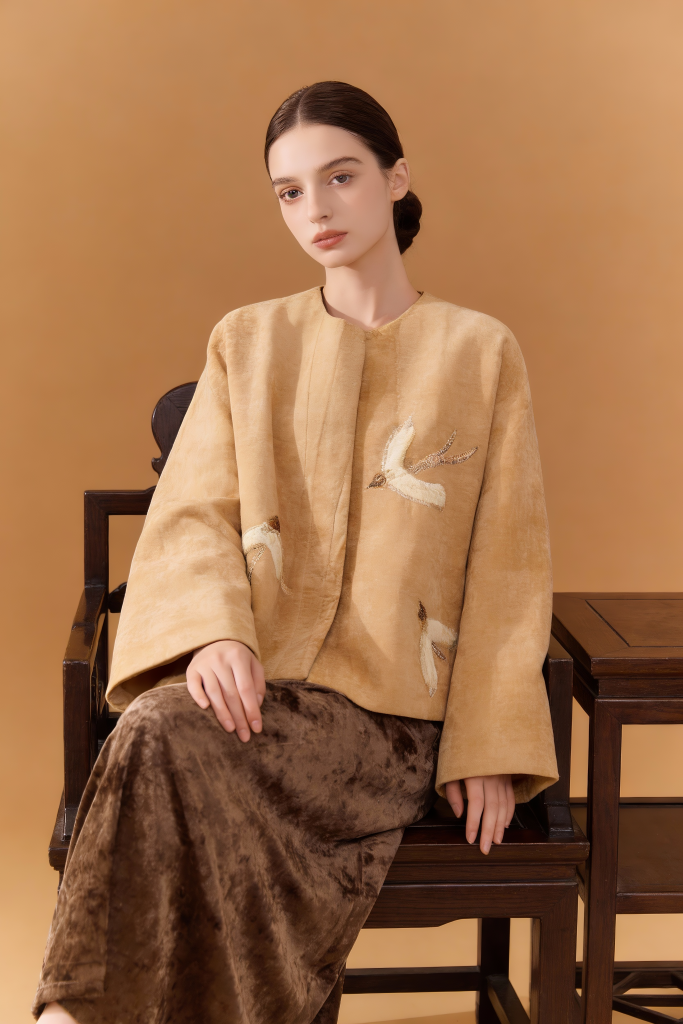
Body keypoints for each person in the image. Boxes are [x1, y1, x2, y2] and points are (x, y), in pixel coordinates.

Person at [35, 81, 558, 1024]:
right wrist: (210, 636)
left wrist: (488, 740)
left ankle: (70, 1015)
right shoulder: (247, 340)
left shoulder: (479, 353)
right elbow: (192, 512)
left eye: (340, 177)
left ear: (396, 180)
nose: (314, 210)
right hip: (252, 705)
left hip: (392, 723)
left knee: (155, 741)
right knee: (159, 729)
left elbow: (508, 564)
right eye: (288, 192)